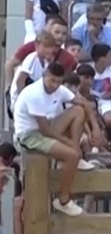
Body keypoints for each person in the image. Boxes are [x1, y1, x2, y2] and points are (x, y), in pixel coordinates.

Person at [12, 62, 97, 216]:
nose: (55, 85)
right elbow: (46, 131)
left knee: (78, 110)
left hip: (46, 127)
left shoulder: (59, 89)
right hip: (28, 135)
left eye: (58, 81)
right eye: (52, 80)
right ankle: (63, 200)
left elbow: (84, 104)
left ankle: (73, 155)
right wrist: (71, 144)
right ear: (44, 76)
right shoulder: (34, 94)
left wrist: (95, 128)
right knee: (73, 156)